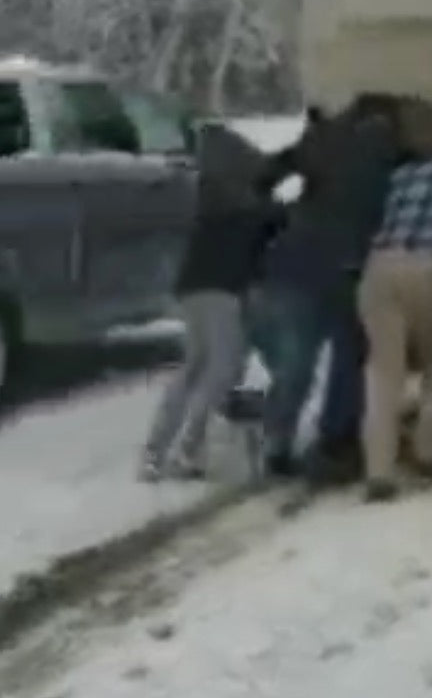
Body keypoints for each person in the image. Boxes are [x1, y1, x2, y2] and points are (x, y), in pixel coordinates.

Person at [253, 95, 402, 480]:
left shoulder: (323, 139)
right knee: (349, 352)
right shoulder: (390, 152)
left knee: (298, 360)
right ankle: (336, 439)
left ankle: (277, 443)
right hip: (346, 266)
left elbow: (267, 172)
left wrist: (275, 216)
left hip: (295, 259)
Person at [141, 125, 282, 482]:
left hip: (191, 287)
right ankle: (189, 447)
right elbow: (278, 227)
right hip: (223, 291)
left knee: (192, 368)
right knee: (222, 368)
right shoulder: (256, 209)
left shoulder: (210, 200)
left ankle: (154, 453)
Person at [357, 112, 432, 502]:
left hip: (380, 266)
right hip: (430, 266)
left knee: (382, 373)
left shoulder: (402, 176)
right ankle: (428, 448)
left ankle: (379, 470)